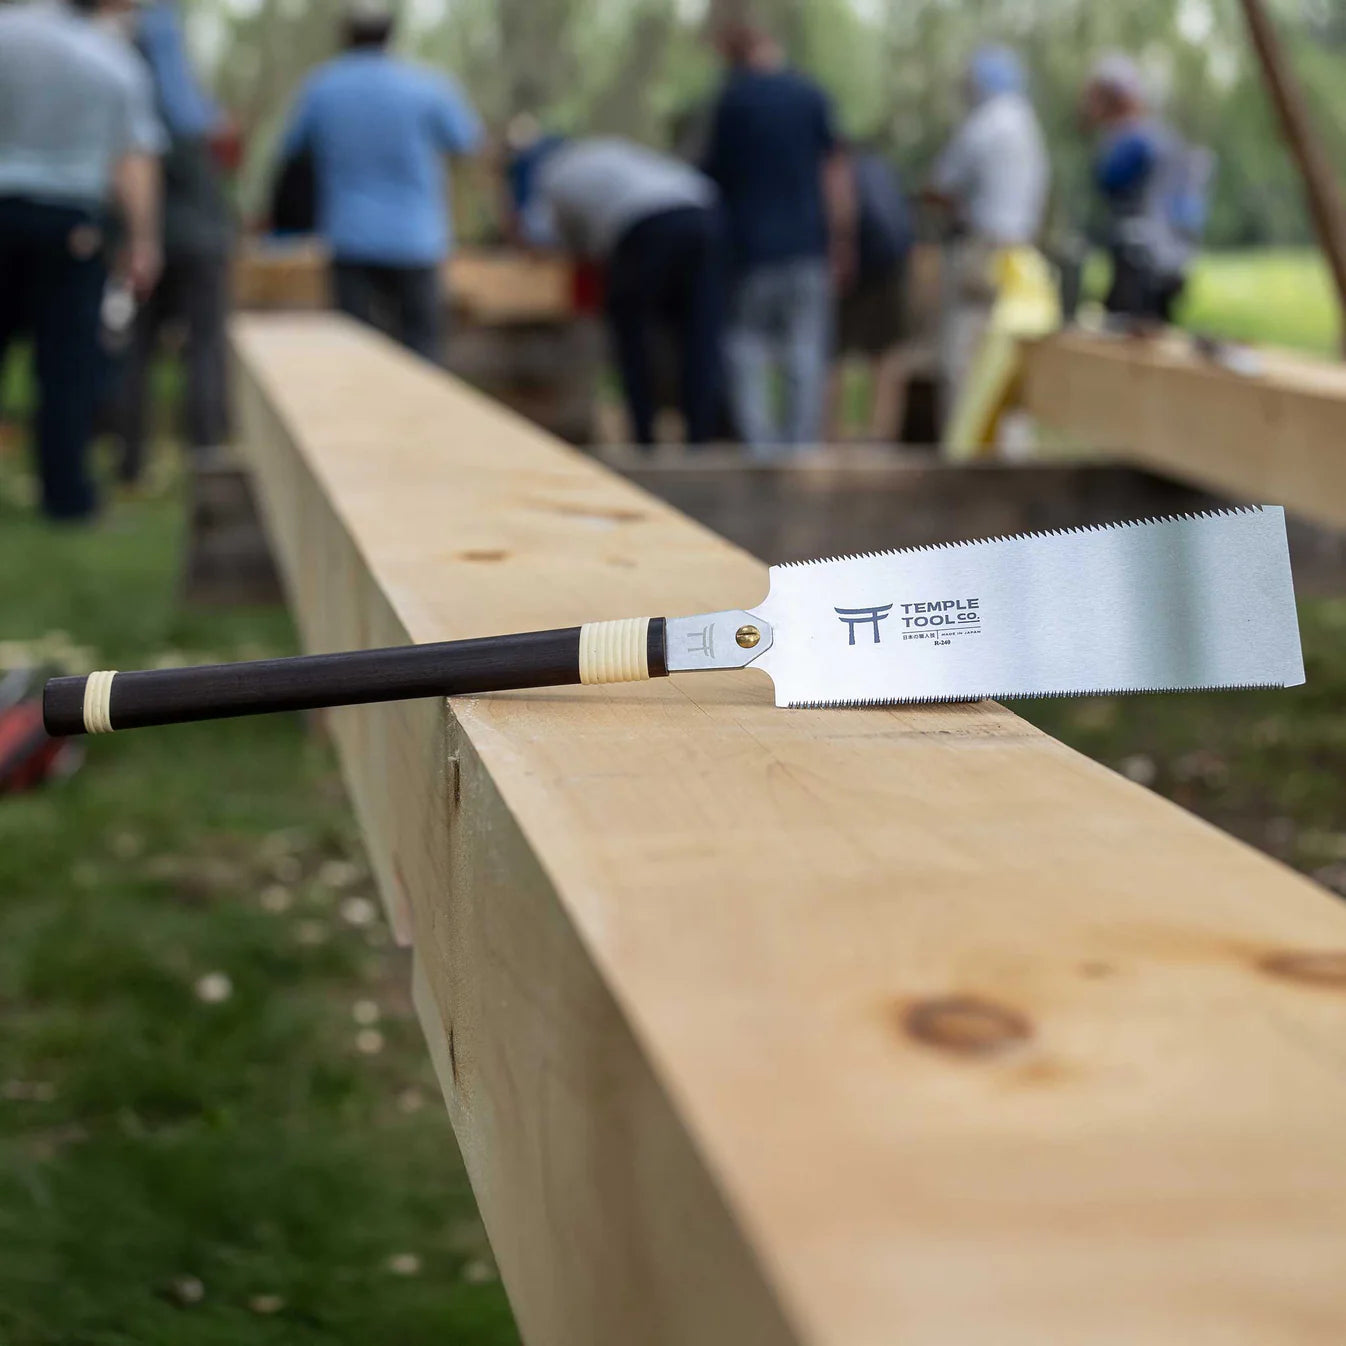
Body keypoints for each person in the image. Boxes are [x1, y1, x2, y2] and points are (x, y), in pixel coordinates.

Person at [0, 0, 165, 523]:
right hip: (72, 224)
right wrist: (143, 240)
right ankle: (66, 498)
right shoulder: (113, 58)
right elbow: (133, 157)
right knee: (67, 368)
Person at [276, 0, 482, 362]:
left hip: (350, 237)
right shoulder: (426, 85)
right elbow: (467, 143)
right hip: (416, 239)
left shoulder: (321, 87)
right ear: (391, 33)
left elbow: (292, 150)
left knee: (354, 353)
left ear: (345, 35)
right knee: (422, 354)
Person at [702, 13, 855, 453]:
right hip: (807, 246)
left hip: (751, 252)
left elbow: (715, 181)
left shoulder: (732, 102)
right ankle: (800, 454)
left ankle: (761, 451)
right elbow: (836, 173)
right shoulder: (810, 96)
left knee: (746, 349)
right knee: (804, 353)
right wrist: (842, 238)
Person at [525, 137, 724, 447]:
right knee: (699, 335)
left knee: (633, 336)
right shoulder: (609, 153)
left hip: (643, 226)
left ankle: (644, 437)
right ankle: (700, 437)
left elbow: (545, 241)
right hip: (705, 213)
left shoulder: (550, 176)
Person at [117, 0, 236, 483]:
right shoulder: (192, 117)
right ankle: (205, 455)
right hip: (197, 243)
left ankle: (131, 463)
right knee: (204, 347)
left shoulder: (124, 99)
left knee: (137, 350)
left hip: (146, 241)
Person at [926, 46, 1048, 421]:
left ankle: (965, 447)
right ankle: (1010, 445)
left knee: (964, 353)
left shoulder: (983, 124)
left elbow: (942, 186)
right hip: (1022, 254)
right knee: (1009, 353)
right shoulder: (1029, 125)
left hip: (980, 248)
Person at [1081, 54, 1211, 327]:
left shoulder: (1131, 143)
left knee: (1128, 338)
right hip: (1168, 261)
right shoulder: (1162, 137)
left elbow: (1108, 181)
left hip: (1140, 262)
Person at [830, 145, 915, 442]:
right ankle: (882, 436)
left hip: (856, 262)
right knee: (887, 354)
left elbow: (841, 212)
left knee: (835, 353)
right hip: (892, 263)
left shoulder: (837, 168)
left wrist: (840, 254)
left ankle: (832, 435)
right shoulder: (880, 166)